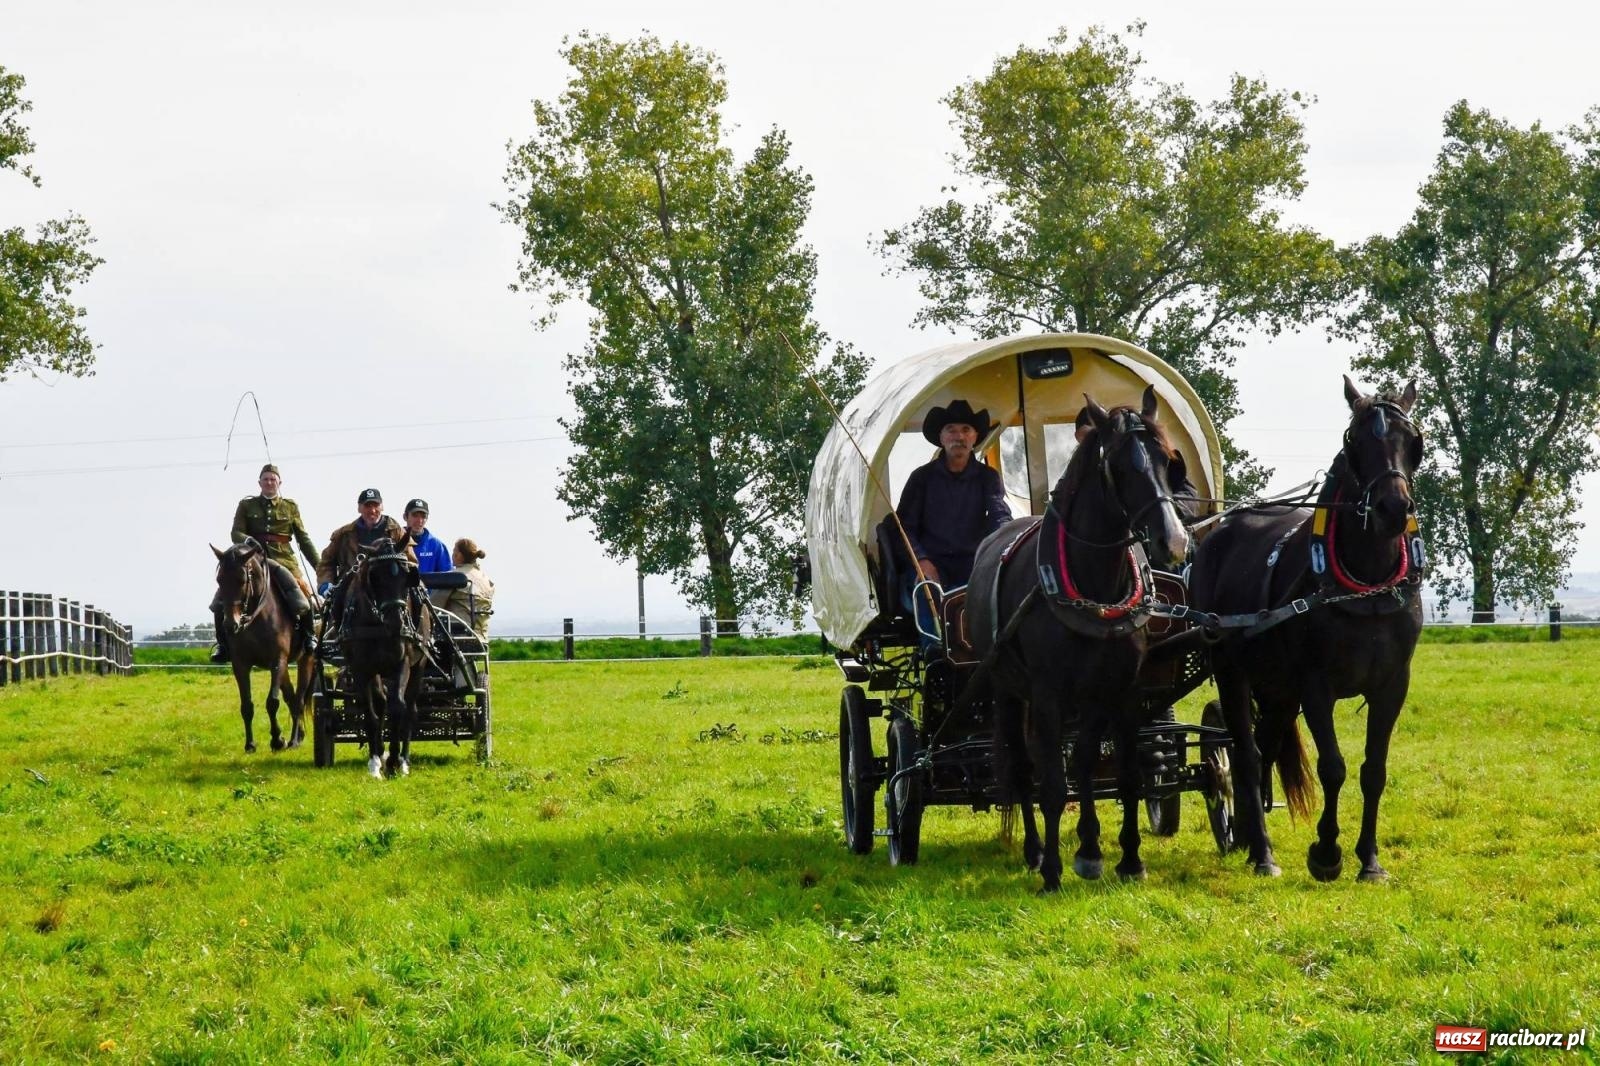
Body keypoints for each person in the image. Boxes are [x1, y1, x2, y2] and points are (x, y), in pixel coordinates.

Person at [894, 399, 1012, 646]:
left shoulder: (988, 478)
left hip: (974, 563)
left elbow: (999, 515)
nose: (959, 436)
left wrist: (1007, 541)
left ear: (975, 437)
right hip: (933, 564)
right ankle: (934, 654)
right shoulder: (921, 479)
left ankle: (990, 654)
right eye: (952, 430)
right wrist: (922, 562)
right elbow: (904, 528)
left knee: (1003, 591)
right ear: (941, 437)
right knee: (926, 588)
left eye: (966, 430)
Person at [210, 463, 318, 662]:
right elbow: (236, 532)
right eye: (266, 479)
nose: (269, 482)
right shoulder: (246, 505)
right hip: (254, 561)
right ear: (259, 483)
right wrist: (248, 541)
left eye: (273, 479)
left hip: (284, 560)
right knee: (221, 599)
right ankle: (222, 645)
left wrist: (319, 567)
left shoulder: (290, 507)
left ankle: (309, 638)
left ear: (279, 483)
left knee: (304, 594)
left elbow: (303, 539)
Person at [316, 488, 417, 634]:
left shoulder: (397, 531)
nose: (372, 510)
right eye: (367, 506)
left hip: (390, 591)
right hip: (351, 590)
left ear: (382, 506)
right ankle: (330, 642)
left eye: (376, 505)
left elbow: (411, 561)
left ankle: (421, 638)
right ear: (359, 508)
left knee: (418, 597)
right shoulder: (344, 534)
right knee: (334, 606)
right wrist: (325, 585)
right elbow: (326, 562)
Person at [434, 538, 495, 641]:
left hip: (455, 636)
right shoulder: (487, 580)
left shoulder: (454, 577)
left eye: (454, 552)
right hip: (481, 638)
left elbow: (433, 605)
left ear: (459, 555)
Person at [402, 498, 452, 574]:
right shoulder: (393, 542)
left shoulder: (437, 546)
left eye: (423, 516)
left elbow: (448, 577)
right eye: (415, 515)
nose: (419, 520)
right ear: (405, 516)